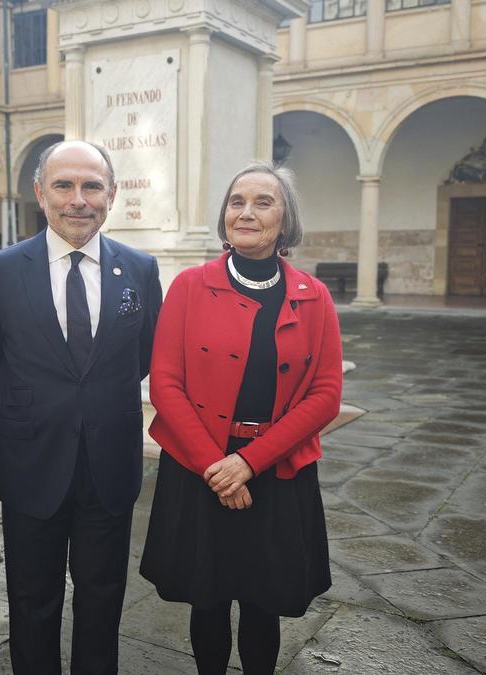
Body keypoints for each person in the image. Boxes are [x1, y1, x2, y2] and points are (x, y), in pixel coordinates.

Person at [0, 140, 162, 674]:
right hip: (31, 461)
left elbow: (144, 354)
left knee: (103, 599)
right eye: (64, 185)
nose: (79, 200)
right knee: (32, 598)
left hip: (110, 464)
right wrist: (39, 403)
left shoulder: (139, 271)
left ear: (112, 195)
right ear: (40, 193)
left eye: (92, 186)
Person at [140, 163, 342, 675]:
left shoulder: (313, 296)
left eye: (263, 202)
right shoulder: (189, 285)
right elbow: (165, 383)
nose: (245, 212)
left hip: (275, 469)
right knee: (206, 597)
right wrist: (216, 465)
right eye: (236, 201)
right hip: (199, 466)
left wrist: (248, 463)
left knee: (263, 598)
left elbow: (324, 394)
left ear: (285, 219)